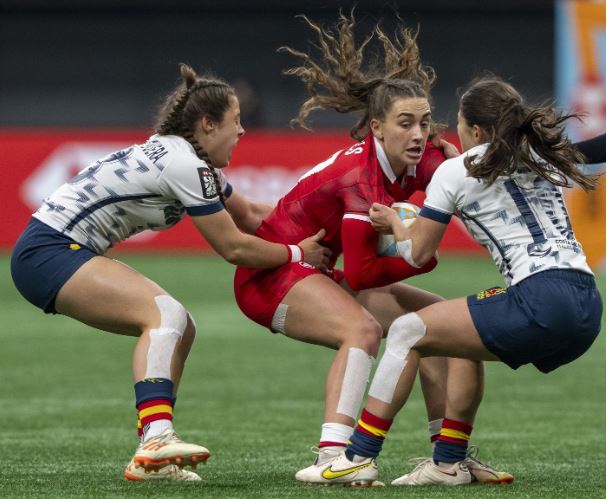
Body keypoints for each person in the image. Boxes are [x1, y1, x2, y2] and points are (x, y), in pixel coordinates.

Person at [10, 63, 330, 482]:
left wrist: (324, 226)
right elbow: (233, 246)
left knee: (182, 326)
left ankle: (152, 459)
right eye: (236, 122)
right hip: (48, 251)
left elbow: (251, 214)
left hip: (55, 248)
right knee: (165, 316)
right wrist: (296, 253)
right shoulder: (184, 165)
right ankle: (157, 439)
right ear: (207, 124)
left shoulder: (189, 160)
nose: (243, 131)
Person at [233, 13, 510, 486]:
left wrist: (455, 161)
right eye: (407, 124)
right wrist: (420, 255)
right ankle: (332, 457)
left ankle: (448, 461)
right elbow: (362, 276)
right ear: (378, 128)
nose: (420, 134)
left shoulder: (417, 159)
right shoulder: (358, 183)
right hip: (272, 274)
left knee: (437, 326)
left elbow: (461, 180)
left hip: (318, 271)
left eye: (425, 122)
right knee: (360, 329)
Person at [317, 75, 603, 486]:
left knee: (406, 330)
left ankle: (359, 455)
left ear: (476, 129)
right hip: (586, 304)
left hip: (540, 299)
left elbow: (418, 253)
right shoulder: (542, 153)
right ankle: (448, 462)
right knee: (459, 334)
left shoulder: (454, 172)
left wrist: (397, 225)